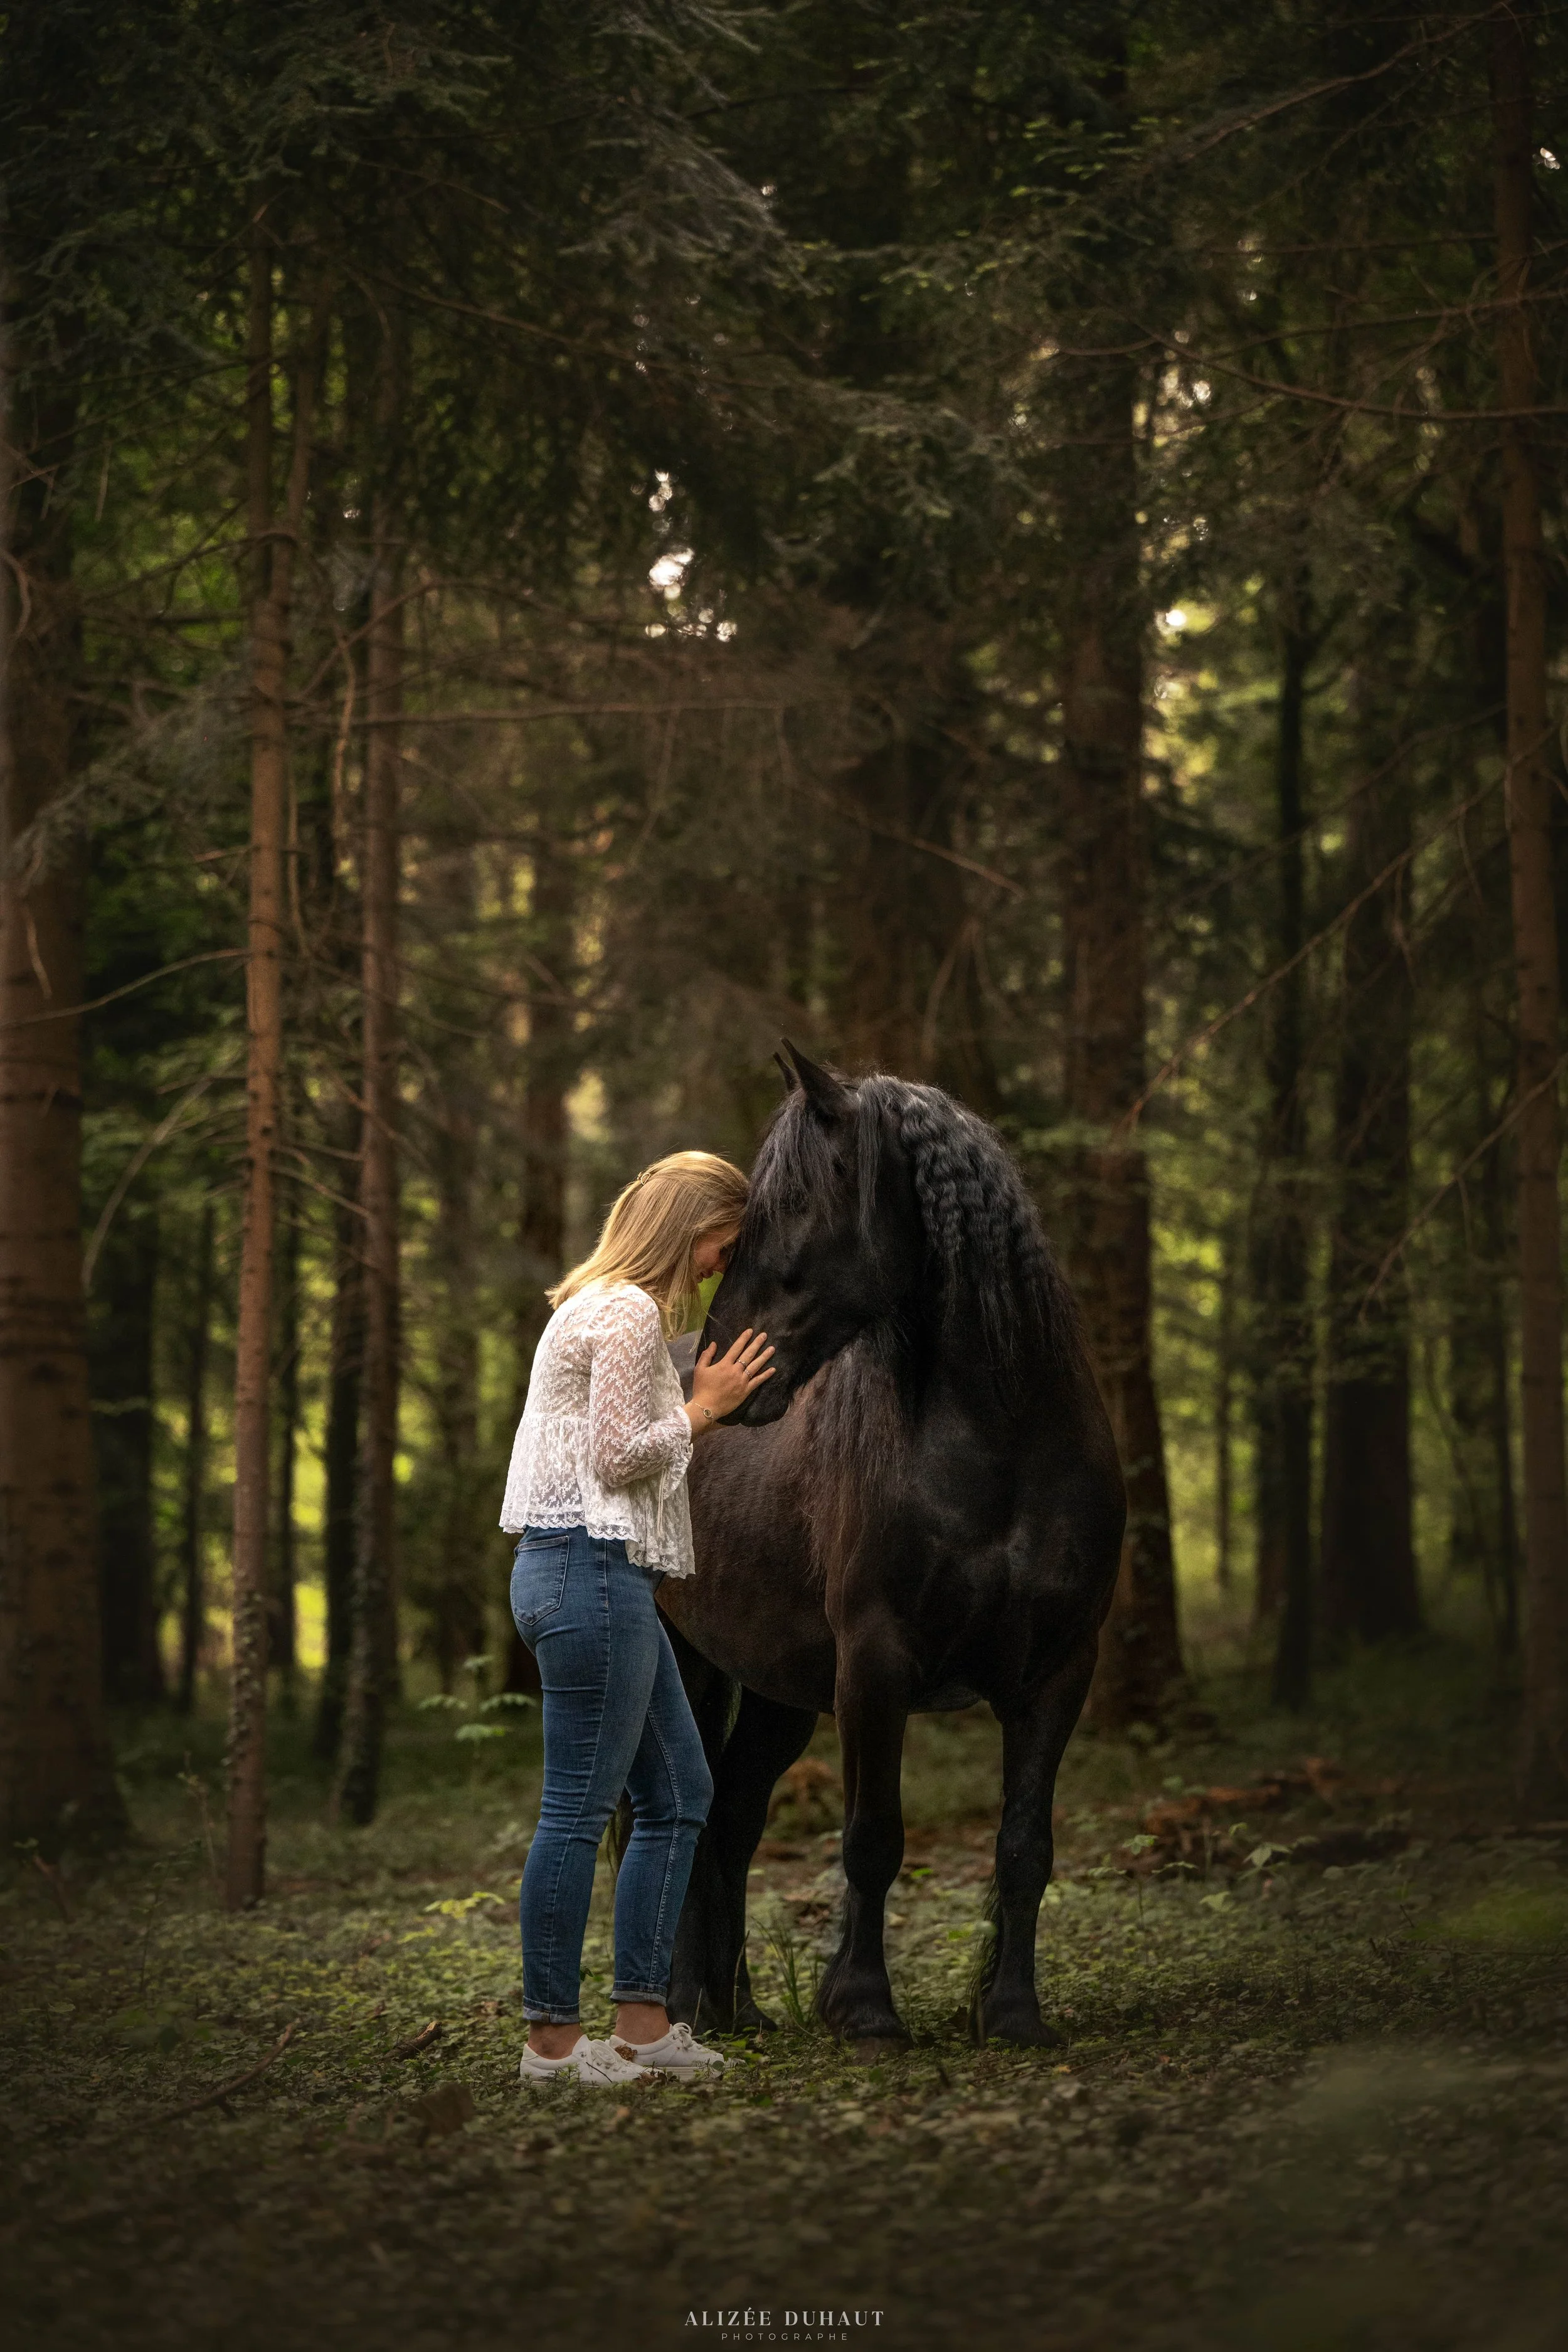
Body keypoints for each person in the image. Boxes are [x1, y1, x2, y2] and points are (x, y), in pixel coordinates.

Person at [499, 1150, 775, 2087]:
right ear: (687, 1226)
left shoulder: (601, 1308)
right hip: (587, 1571)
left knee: (679, 1793)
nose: (718, 1267)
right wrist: (706, 1408)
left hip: (598, 1574)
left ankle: (646, 2025)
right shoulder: (622, 1311)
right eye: (720, 1246)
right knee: (577, 1813)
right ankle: (551, 2044)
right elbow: (621, 1457)